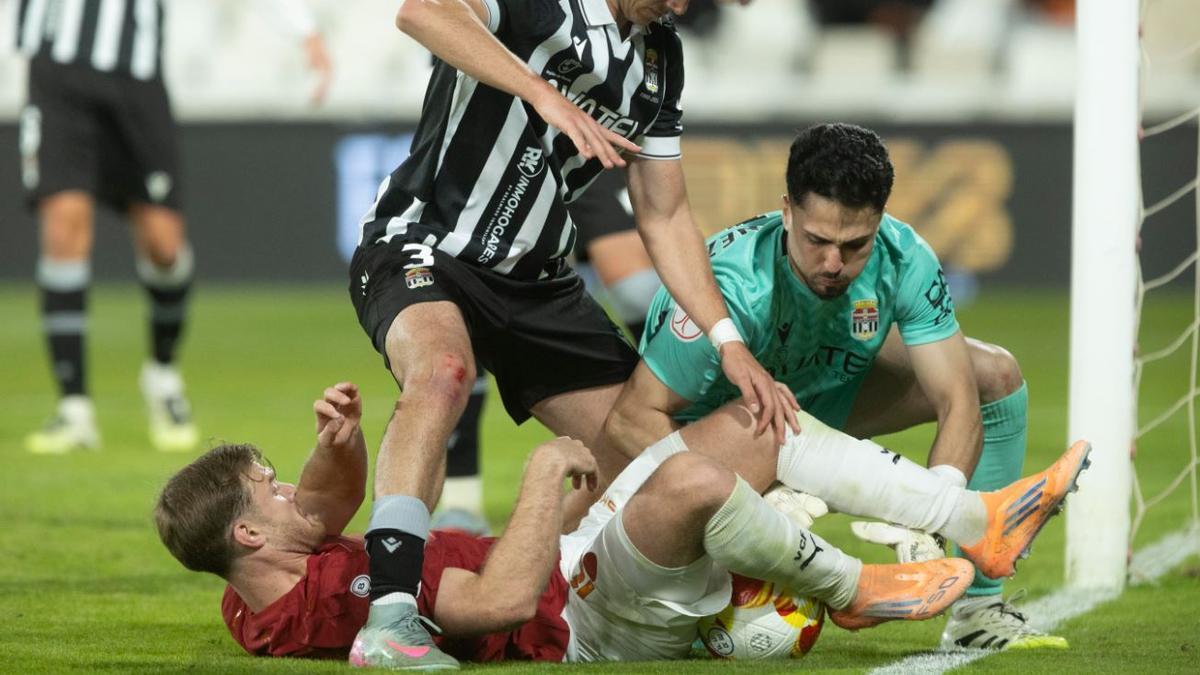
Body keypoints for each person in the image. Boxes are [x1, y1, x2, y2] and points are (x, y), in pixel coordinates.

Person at [347, 0, 795, 663]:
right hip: (425, 246)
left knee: (647, 456)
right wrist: (539, 92)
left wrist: (727, 338)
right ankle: (388, 616)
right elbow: (420, 12)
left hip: (539, 284)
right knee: (442, 372)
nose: (680, 6)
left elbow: (665, 213)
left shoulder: (659, 59)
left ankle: (532, 588)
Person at [152, 381, 1090, 665]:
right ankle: (850, 589)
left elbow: (328, 501)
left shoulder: (258, 593)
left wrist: (339, 440)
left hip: (563, 559)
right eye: (268, 487)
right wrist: (542, 480)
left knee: (752, 419)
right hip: (575, 618)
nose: (289, 492)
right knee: (688, 481)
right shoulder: (337, 593)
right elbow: (500, 598)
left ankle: (974, 519)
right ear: (246, 536)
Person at [604, 122, 1067, 650]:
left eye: (855, 245)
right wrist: (744, 499)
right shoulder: (731, 285)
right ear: (786, 211)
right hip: (728, 437)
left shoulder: (903, 256)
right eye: (817, 240)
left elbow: (957, 397)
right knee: (753, 433)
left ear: (881, 221)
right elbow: (632, 418)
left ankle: (978, 612)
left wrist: (930, 510)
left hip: (823, 400)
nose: (833, 264)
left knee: (993, 376)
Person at [15, 0, 333, 454]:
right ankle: (74, 408)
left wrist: (304, 30)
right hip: (56, 74)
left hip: (135, 79)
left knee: (164, 246)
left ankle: (162, 375)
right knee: (64, 228)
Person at [435, 167, 661, 534]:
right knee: (463, 303)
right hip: (500, 161)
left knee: (639, 292)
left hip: (579, 151)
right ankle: (460, 505)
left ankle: (676, 428)